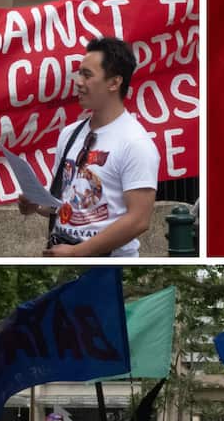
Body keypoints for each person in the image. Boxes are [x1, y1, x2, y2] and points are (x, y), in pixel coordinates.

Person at [17, 36, 160, 258]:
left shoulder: (135, 143)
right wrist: (36, 204)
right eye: (79, 73)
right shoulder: (69, 134)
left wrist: (77, 252)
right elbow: (64, 203)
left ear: (114, 83)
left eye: (87, 75)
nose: (79, 82)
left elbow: (139, 220)